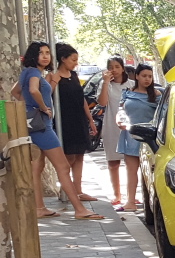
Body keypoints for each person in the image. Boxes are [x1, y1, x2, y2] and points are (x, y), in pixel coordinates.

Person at [17, 42, 102, 220]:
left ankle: (39, 207)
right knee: (63, 167)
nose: (46, 56)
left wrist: (27, 109)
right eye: (41, 53)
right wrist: (42, 107)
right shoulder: (34, 73)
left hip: (34, 125)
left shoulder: (27, 72)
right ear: (34, 55)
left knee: (37, 167)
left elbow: (15, 92)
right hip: (43, 127)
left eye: (48, 53)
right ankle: (79, 209)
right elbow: (33, 90)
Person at [49, 43, 98, 203]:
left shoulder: (75, 76)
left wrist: (90, 119)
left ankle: (78, 190)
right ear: (63, 59)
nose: (76, 63)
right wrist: (54, 81)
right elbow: (46, 94)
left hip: (79, 119)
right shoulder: (53, 75)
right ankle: (65, 188)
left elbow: (81, 98)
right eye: (73, 59)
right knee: (68, 157)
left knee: (80, 155)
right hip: (64, 120)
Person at [116, 63, 161, 212]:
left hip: (149, 137)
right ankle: (130, 201)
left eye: (150, 76)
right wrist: (119, 120)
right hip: (130, 134)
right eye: (144, 76)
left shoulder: (157, 95)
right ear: (136, 76)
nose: (147, 79)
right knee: (131, 170)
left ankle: (152, 203)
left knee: (150, 171)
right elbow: (121, 111)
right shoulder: (127, 93)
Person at [96, 57, 130, 206]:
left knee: (132, 162)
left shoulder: (132, 85)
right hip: (111, 125)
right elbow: (102, 102)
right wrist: (105, 82)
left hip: (129, 127)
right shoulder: (105, 85)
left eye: (117, 66)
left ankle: (131, 195)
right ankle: (117, 195)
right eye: (111, 67)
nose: (114, 70)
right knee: (113, 162)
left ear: (123, 68)